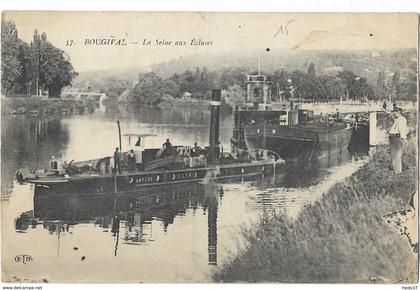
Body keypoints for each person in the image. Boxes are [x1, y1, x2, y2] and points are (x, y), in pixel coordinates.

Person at [388, 108, 408, 174]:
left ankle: (398, 172)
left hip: (396, 137)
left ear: (398, 112)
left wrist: (403, 138)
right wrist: (393, 114)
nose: (394, 114)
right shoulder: (397, 119)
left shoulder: (402, 119)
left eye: (395, 113)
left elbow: (402, 129)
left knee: (397, 155)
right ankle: (395, 170)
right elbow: (390, 116)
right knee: (394, 154)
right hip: (393, 137)